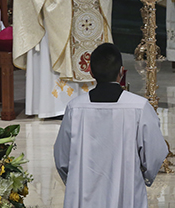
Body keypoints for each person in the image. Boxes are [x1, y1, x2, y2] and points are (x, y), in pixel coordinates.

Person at [54, 43, 167, 208]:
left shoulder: (75, 108)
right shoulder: (139, 107)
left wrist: (75, 181)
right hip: (126, 194)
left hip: (82, 195)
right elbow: (155, 154)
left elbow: (62, 158)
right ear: (121, 72)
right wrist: (142, 177)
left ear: (91, 72)